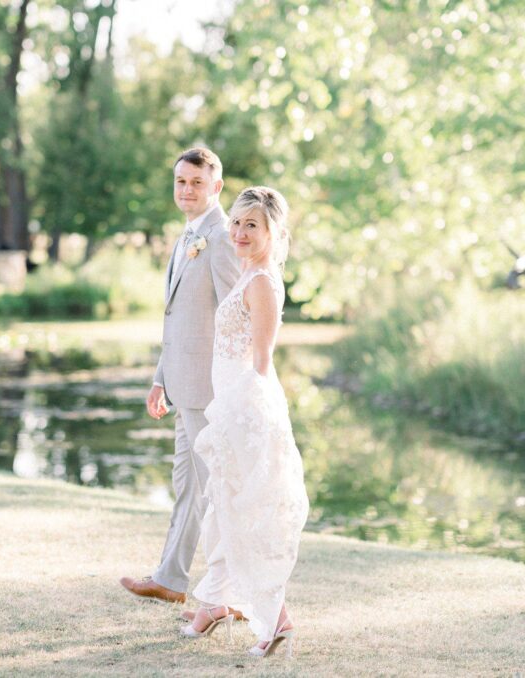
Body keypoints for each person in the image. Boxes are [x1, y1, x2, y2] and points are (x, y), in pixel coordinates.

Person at [179, 186, 309, 658]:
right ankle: (217, 602)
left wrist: (236, 416)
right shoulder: (247, 275)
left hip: (246, 411)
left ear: (272, 232)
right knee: (225, 509)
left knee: (247, 512)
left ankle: (276, 620)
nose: (238, 232)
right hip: (229, 407)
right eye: (235, 222)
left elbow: (260, 361)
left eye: (251, 225)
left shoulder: (262, 283)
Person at [119, 148, 240, 605]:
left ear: (216, 187)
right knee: (189, 485)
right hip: (181, 384)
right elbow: (177, 320)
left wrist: (231, 385)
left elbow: (235, 316)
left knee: (218, 489)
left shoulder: (223, 238)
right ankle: (170, 579)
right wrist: (159, 378)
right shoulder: (187, 236)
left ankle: (236, 590)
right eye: (180, 182)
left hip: (210, 389)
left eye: (195, 182)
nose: (186, 190)